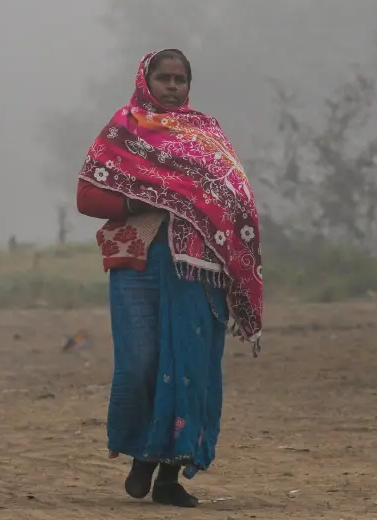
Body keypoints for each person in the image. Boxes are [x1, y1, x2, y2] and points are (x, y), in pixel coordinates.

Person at [75, 49, 264, 508]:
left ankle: (169, 475)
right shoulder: (124, 128)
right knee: (140, 363)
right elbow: (87, 196)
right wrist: (146, 198)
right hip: (139, 265)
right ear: (146, 79)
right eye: (164, 77)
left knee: (189, 366)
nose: (173, 86)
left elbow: (233, 195)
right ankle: (142, 453)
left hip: (197, 269)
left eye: (181, 79)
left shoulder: (207, 134)